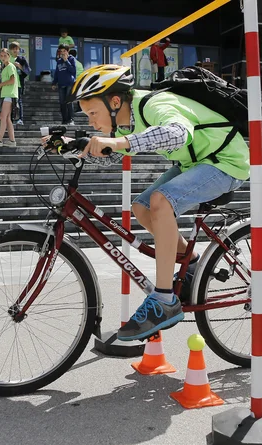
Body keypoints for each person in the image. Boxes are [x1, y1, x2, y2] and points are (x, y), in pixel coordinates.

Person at [65, 64, 249, 340]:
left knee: (161, 200)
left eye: (93, 113)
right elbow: (115, 152)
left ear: (115, 101)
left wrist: (120, 142)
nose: (91, 121)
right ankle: (193, 264)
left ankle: (165, 301)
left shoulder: (155, 103)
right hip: (197, 163)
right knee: (142, 206)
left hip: (226, 163)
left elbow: (177, 133)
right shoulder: (133, 117)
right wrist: (70, 143)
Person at [0, 48, 18, 147]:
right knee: (7, 118)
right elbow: (1, 85)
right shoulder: (6, 67)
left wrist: (0, 84)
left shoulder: (10, 66)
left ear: (9, 56)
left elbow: (12, 80)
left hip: (9, 95)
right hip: (7, 94)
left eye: (5, 56)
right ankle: (12, 141)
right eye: (1, 56)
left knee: (3, 117)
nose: (3, 58)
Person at [51, 44, 76, 125]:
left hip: (69, 83)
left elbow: (73, 71)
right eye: (61, 51)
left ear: (67, 51)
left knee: (69, 102)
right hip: (61, 84)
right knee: (62, 103)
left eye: (64, 51)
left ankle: (71, 119)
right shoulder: (58, 61)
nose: (62, 53)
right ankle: (64, 120)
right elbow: (57, 73)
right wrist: (54, 83)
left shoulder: (71, 59)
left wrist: (66, 61)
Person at [9, 41, 29, 126]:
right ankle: (10, 119)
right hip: (9, 84)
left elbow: (27, 71)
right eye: (13, 49)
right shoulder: (8, 58)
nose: (15, 50)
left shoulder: (21, 59)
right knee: (9, 102)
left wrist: (19, 66)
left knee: (19, 101)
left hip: (18, 84)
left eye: (16, 49)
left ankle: (20, 119)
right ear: (10, 50)